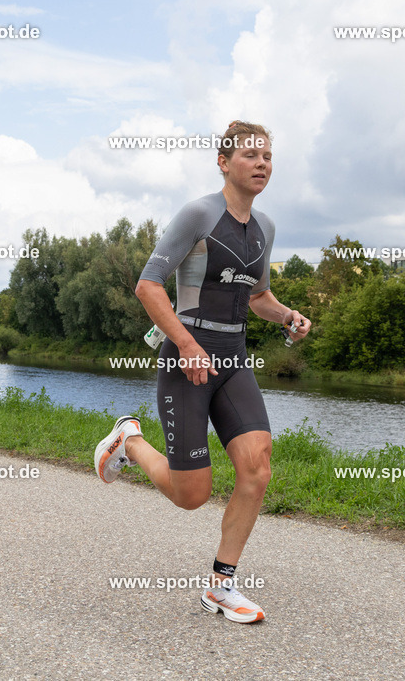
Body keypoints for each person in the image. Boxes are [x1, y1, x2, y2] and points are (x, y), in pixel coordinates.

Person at [95, 120, 310, 624]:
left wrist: (286, 316)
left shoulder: (266, 229)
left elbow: (256, 295)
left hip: (232, 357)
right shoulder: (199, 214)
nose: (262, 164)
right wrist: (188, 345)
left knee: (257, 465)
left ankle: (221, 585)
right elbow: (148, 286)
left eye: (268, 157)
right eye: (251, 155)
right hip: (186, 356)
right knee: (192, 495)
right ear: (224, 162)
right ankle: (128, 441)